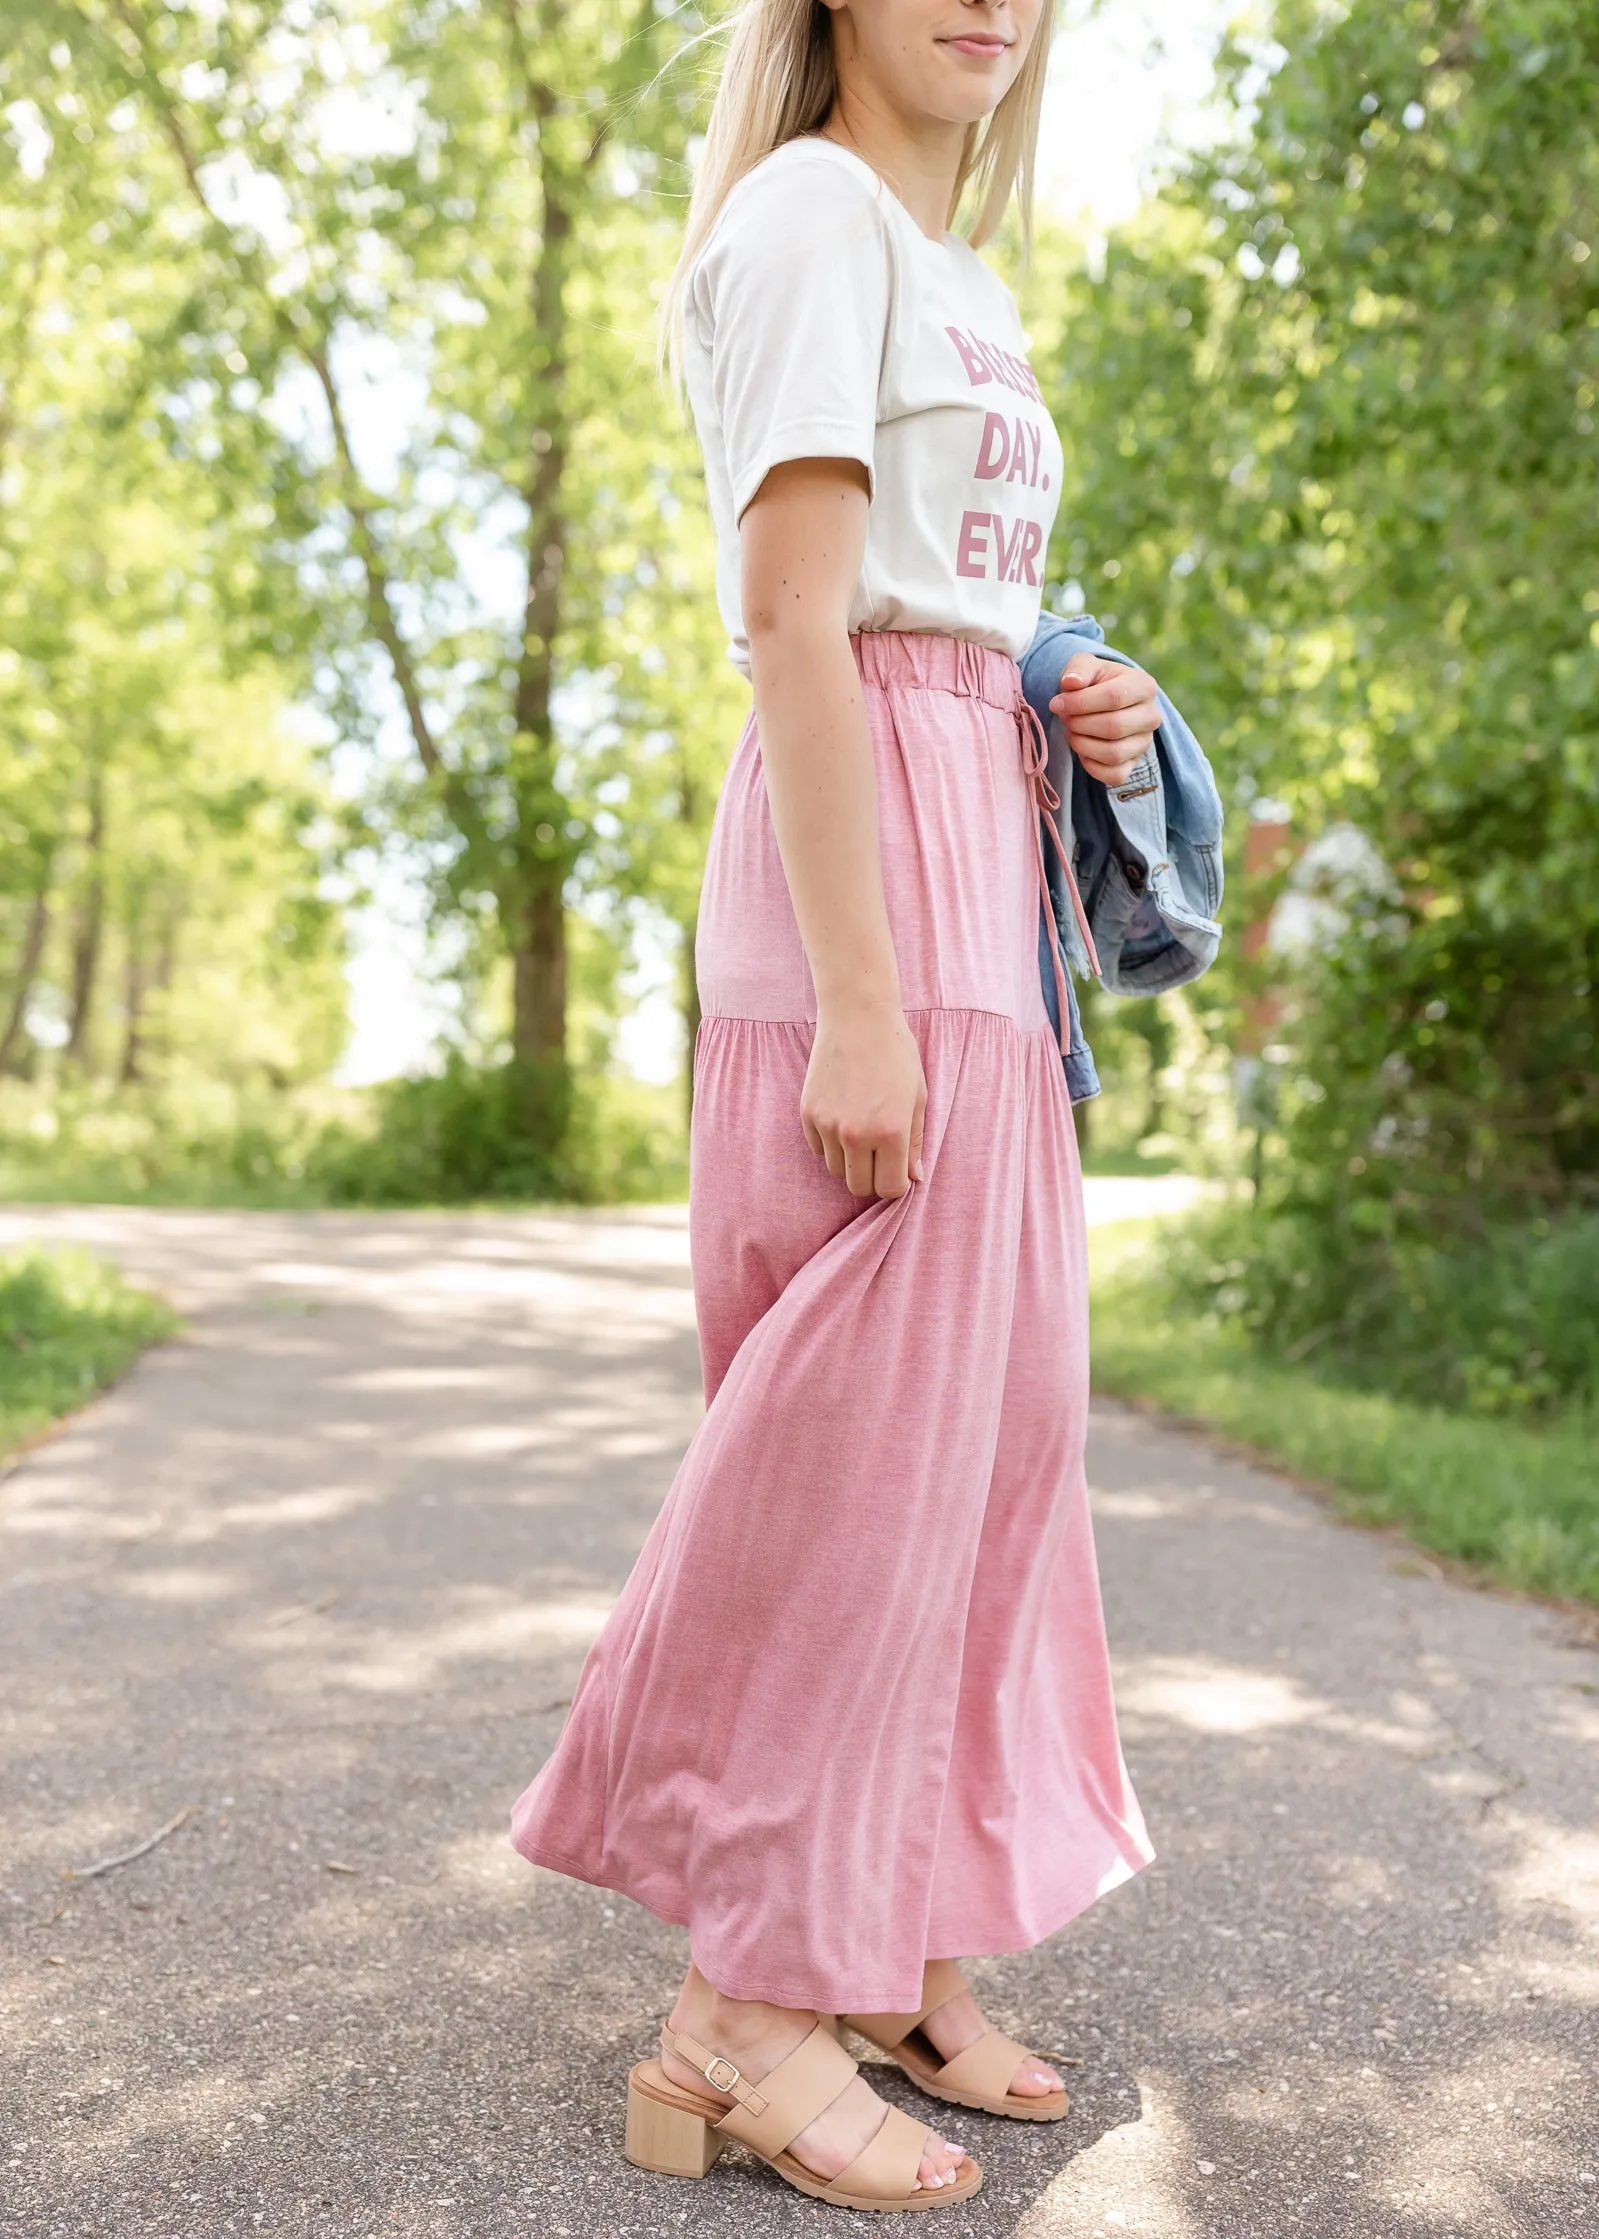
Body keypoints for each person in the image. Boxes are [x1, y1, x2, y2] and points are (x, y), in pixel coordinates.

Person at [511, 0, 1165, 2211]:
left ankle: (881, 1940)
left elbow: (935, 601)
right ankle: (737, 2012)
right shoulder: (804, 218)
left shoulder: (955, 272)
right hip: (864, 878)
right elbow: (799, 625)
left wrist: (1063, 679)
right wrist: (858, 1009)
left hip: (976, 848)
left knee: (999, 1433)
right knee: (856, 1446)